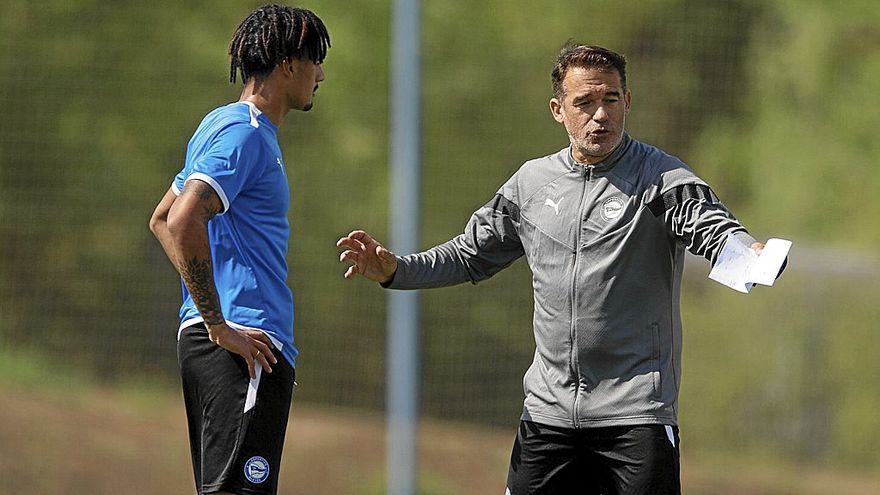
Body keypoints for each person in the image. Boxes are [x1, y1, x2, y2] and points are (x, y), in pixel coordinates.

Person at [336, 44, 776, 494]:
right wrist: (396, 269)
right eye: (584, 103)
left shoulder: (661, 179)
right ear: (558, 110)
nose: (599, 115)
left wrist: (746, 252)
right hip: (547, 417)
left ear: (627, 101)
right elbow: (471, 254)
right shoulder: (530, 184)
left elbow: (711, 227)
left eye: (609, 99)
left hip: (635, 418)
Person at [148, 5, 329, 494]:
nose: (321, 74)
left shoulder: (222, 124)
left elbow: (162, 219)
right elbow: (181, 220)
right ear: (288, 64)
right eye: (315, 60)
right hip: (246, 345)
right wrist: (219, 323)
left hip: (222, 342)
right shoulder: (245, 133)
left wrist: (209, 320)